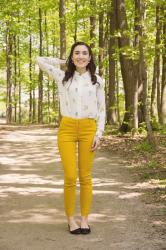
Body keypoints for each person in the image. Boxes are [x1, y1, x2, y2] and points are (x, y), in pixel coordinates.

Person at [36, 41, 106, 235]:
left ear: (90, 58)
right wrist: (62, 61)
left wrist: (99, 134)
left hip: (88, 129)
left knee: (85, 176)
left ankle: (84, 218)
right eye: (77, 53)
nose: (81, 56)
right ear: (72, 57)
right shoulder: (63, 77)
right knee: (69, 176)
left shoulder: (98, 80)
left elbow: (102, 109)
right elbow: (39, 60)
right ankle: (70, 219)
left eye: (84, 53)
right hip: (66, 128)